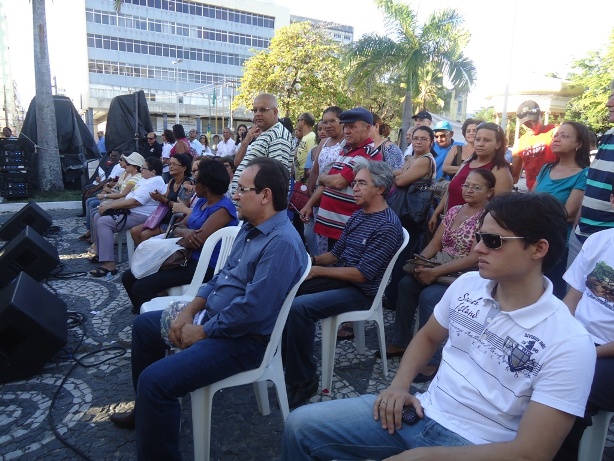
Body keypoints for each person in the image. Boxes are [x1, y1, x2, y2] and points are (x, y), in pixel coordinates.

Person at [281, 193, 596, 461]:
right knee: (300, 424)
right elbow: (429, 336)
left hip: (479, 446)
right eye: (478, 237)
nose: (479, 249)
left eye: (493, 240)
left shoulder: (568, 342)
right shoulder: (468, 286)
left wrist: (428, 456)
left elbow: (532, 452)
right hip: (422, 411)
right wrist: (399, 385)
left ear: (538, 249)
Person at [108, 158, 308, 461]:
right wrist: (190, 311)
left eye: (242, 190)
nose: (236, 195)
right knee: (143, 327)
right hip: (213, 319)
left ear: (266, 195)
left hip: (243, 340)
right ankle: (147, 412)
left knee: (155, 382)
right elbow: (221, 277)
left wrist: (201, 331)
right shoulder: (250, 226)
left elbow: (252, 311)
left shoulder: (282, 243)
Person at [284, 160, 404, 409]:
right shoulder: (360, 214)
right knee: (287, 288)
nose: (355, 189)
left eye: (361, 183)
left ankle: (304, 380)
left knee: (299, 308)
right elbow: (336, 254)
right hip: (342, 277)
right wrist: (309, 263)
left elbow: (362, 275)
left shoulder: (387, 226)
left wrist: (316, 271)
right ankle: (284, 356)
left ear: (380, 189)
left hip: (361, 291)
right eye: (355, 183)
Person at [384, 169, 495, 378]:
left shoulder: (487, 218)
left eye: (476, 187)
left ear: (490, 192)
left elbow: (474, 258)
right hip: (440, 265)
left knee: (429, 296)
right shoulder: (454, 210)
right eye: (466, 185)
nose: (468, 190)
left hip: (465, 274)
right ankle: (401, 341)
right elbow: (435, 243)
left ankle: (431, 359)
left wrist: (435, 272)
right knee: (406, 284)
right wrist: (421, 263)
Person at [121, 160, 238, 313]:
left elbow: (196, 242)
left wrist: (186, 233)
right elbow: (178, 228)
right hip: (184, 258)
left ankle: (156, 325)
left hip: (203, 265)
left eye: (196, 181)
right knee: (129, 277)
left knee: (140, 288)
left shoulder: (223, 209)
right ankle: (144, 311)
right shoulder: (203, 201)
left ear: (207, 186)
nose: (193, 184)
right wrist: (185, 232)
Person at [559, 213, 614, 459]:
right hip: (578, 338)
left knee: (573, 386)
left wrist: (586, 352)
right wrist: (562, 335)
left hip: (607, 353)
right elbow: (572, 297)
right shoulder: (600, 240)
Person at [300, 107, 382, 250]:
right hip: (333, 227)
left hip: (345, 229)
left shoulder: (367, 153)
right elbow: (328, 183)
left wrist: (323, 178)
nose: (346, 131)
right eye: (345, 127)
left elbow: (338, 182)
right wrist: (309, 204)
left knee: (334, 267)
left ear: (367, 128)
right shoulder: (347, 151)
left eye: (352, 127)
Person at [533, 121, 590, 299]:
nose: (557, 139)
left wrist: (534, 213)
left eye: (564, 136)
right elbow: (529, 202)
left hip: (558, 247)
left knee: (551, 294)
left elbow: (567, 214)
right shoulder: (546, 169)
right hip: (532, 240)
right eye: (556, 135)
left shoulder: (583, 173)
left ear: (579, 144)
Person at [384, 126, 438, 308]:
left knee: (404, 257)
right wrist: (400, 172)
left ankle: (396, 299)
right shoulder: (413, 158)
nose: (418, 141)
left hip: (413, 214)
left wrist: (399, 173)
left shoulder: (425, 160)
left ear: (431, 142)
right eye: (415, 138)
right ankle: (394, 296)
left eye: (423, 139)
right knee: (399, 254)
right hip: (406, 212)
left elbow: (400, 179)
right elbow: (399, 173)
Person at [88, 157, 165, 277]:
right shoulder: (144, 179)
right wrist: (109, 204)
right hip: (132, 212)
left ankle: (109, 265)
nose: (141, 170)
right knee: (98, 215)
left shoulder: (154, 181)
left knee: (103, 222)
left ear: (153, 171)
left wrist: (110, 207)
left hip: (143, 215)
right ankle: (101, 253)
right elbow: (128, 197)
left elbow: (135, 201)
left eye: (144, 168)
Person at [430, 122, 513, 232]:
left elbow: (500, 211)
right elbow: (450, 190)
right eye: (477, 139)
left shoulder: (500, 171)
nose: (480, 144)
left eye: (487, 140)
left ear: (498, 144)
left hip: (473, 234)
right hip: (448, 224)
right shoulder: (467, 162)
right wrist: (436, 213)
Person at [567, 79, 614, 267]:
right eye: (611, 96)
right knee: (571, 293)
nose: (608, 103)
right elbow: (593, 184)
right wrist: (579, 221)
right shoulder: (609, 135)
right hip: (581, 235)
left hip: (607, 242)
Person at [230, 94, 293, 194]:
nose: (257, 114)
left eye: (263, 110)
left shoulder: (278, 134)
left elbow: (277, 178)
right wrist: (246, 140)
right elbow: (237, 163)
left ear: (275, 112)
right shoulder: (267, 133)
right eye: (255, 110)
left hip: (260, 206)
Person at [304, 106, 346, 256]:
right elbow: (315, 170)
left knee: (332, 241)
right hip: (317, 198)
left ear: (342, 122)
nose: (328, 125)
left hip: (335, 199)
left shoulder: (347, 144)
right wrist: (310, 191)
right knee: (314, 236)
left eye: (332, 121)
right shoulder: (323, 142)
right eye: (325, 122)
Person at [129, 153, 193, 245]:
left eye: (174, 164)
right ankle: (144, 255)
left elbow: (182, 207)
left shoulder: (186, 183)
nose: (171, 166)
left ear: (183, 168)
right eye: (170, 164)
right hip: (162, 217)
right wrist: (158, 196)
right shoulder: (171, 181)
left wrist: (162, 199)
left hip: (174, 221)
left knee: (145, 235)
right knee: (134, 231)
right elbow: (165, 198)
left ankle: (150, 256)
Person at [79, 152, 143, 242]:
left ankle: (96, 240)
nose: (120, 161)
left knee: (95, 210)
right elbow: (115, 183)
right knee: (93, 206)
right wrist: (107, 188)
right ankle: (95, 238)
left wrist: (105, 195)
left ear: (135, 167)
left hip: (123, 203)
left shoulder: (136, 178)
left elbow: (124, 195)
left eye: (125, 161)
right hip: (117, 198)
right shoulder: (126, 173)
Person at [511, 100, 558, 190]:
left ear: (542, 115)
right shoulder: (519, 143)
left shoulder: (555, 131)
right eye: (527, 123)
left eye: (534, 121)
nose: (532, 126)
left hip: (556, 188)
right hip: (534, 192)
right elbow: (514, 178)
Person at [294, 112, 316, 181]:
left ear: (303, 122)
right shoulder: (305, 137)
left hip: (305, 182)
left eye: (298, 120)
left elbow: (313, 160)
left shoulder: (311, 137)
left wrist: (304, 177)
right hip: (299, 180)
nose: (297, 123)